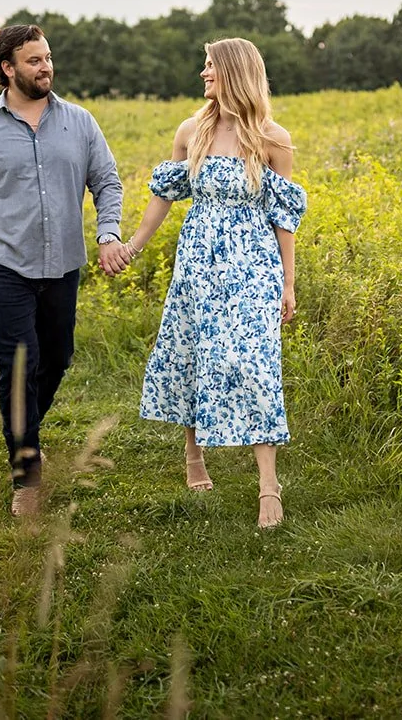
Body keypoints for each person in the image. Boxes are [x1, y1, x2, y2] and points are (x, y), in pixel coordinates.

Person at [0, 24, 129, 517]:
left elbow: (107, 180)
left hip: (63, 262)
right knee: (17, 366)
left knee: (57, 356)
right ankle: (26, 477)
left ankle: (24, 433)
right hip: (3, 264)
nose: (45, 67)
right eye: (34, 61)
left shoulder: (80, 122)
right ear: (7, 69)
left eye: (47, 58)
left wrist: (108, 233)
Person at [119, 37, 307, 529]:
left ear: (234, 73)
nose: (203, 74)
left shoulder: (273, 138)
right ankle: (194, 456)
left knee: (254, 362)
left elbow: (284, 217)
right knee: (191, 353)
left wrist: (288, 284)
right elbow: (165, 194)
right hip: (198, 261)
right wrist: (132, 246)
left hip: (252, 264)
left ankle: (269, 486)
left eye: (210, 67)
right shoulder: (191, 131)